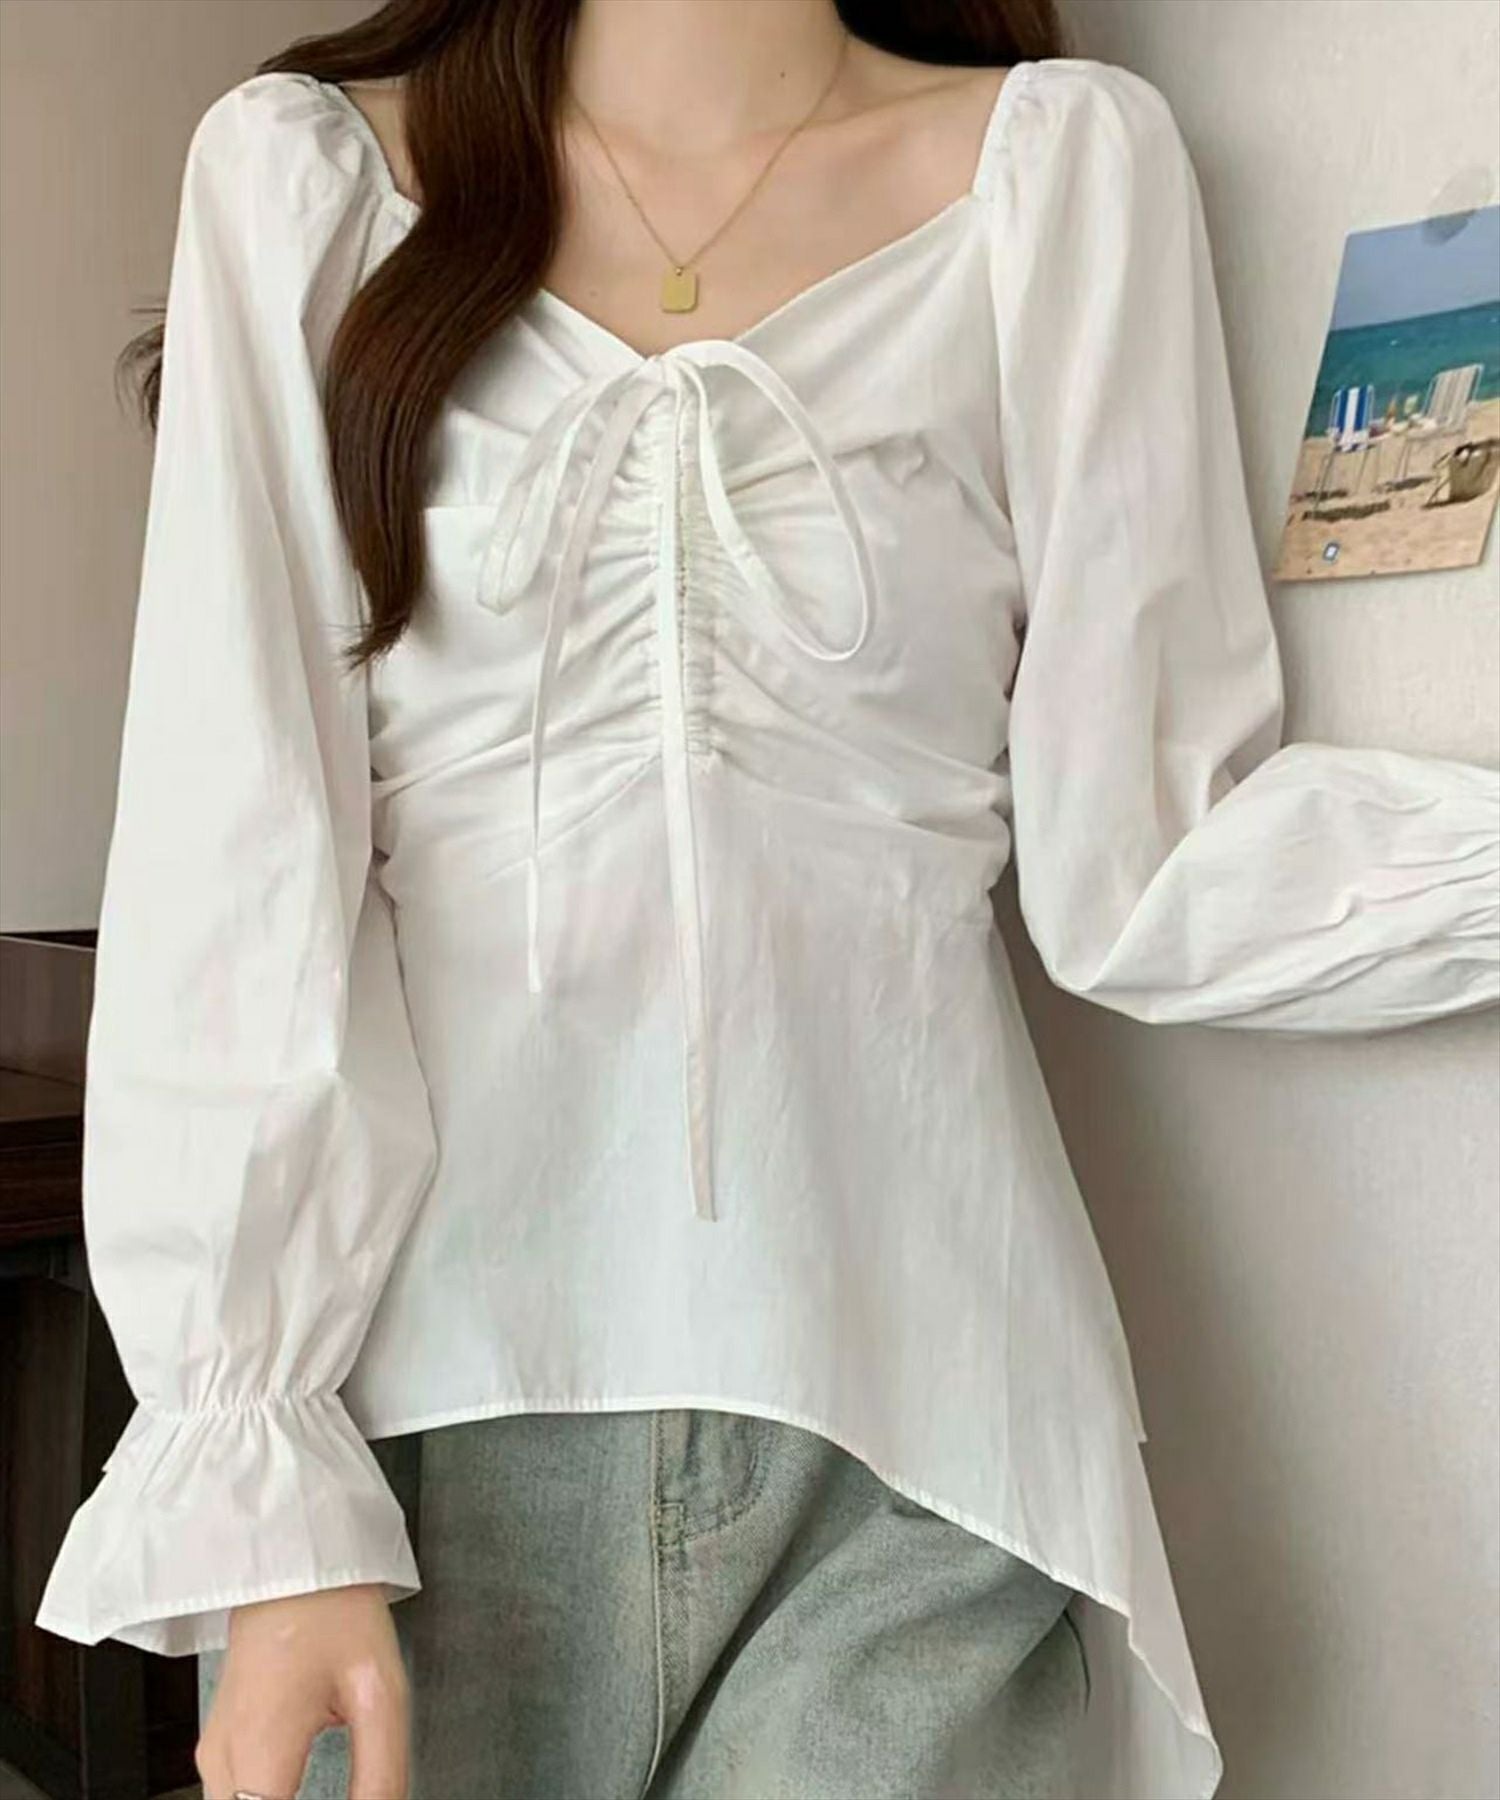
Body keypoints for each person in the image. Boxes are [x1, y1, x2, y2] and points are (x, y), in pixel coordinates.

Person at [35, 1, 1500, 1797]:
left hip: (924, 1435)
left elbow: (1154, 860)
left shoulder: (1061, 171)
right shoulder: (305, 182)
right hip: (412, 1443)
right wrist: (260, 1480)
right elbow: (236, 859)